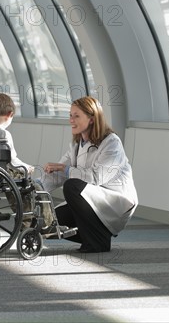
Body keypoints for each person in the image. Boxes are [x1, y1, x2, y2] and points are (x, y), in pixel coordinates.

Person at [42, 96, 138, 253]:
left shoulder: (111, 142)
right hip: (94, 200)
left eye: (76, 116)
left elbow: (96, 177)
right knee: (52, 220)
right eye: (70, 115)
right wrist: (36, 186)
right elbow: (58, 174)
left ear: (92, 119)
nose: (71, 120)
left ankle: (98, 242)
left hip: (115, 201)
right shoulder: (76, 145)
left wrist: (65, 169)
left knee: (72, 186)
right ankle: (98, 237)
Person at [0, 93, 53, 230]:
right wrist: (27, 167)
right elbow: (12, 161)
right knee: (35, 187)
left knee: (15, 186)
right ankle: (45, 223)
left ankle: (24, 220)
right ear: (9, 114)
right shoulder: (4, 134)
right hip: (2, 174)